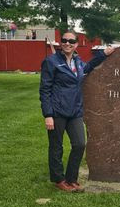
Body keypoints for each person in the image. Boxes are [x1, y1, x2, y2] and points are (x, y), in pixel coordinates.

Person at [39, 31, 115, 192]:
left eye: (71, 41)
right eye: (64, 40)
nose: (67, 43)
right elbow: (44, 90)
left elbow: (88, 67)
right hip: (57, 111)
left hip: (74, 112)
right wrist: (48, 115)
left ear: (76, 43)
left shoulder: (77, 61)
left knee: (80, 144)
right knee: (56, 147)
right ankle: (59, 179)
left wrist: (104, 54)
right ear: (61, 43)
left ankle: (71, 178)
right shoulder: (51, 62)